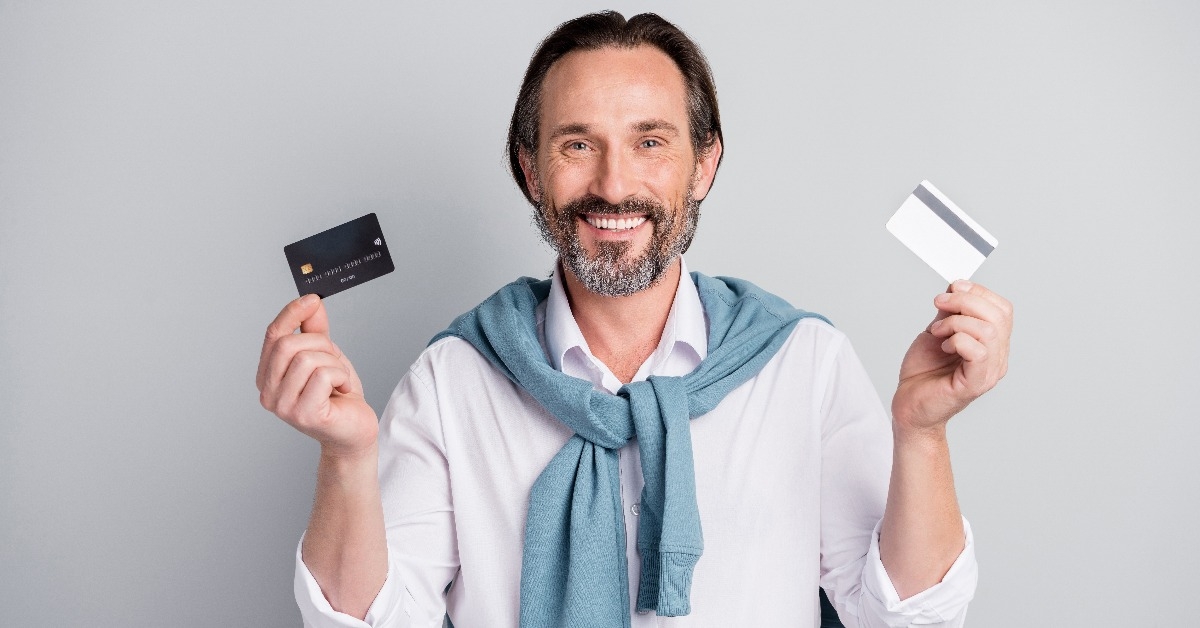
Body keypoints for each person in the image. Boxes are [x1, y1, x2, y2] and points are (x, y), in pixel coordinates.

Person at [256, 11, 1012, 628]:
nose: (614, 185)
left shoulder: (803, 364)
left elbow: (907, 618)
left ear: (703, 165)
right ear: (531, 170)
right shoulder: (454, 379)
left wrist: (922, 436)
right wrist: (346, 459)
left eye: (650, 142)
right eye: (577, 145)